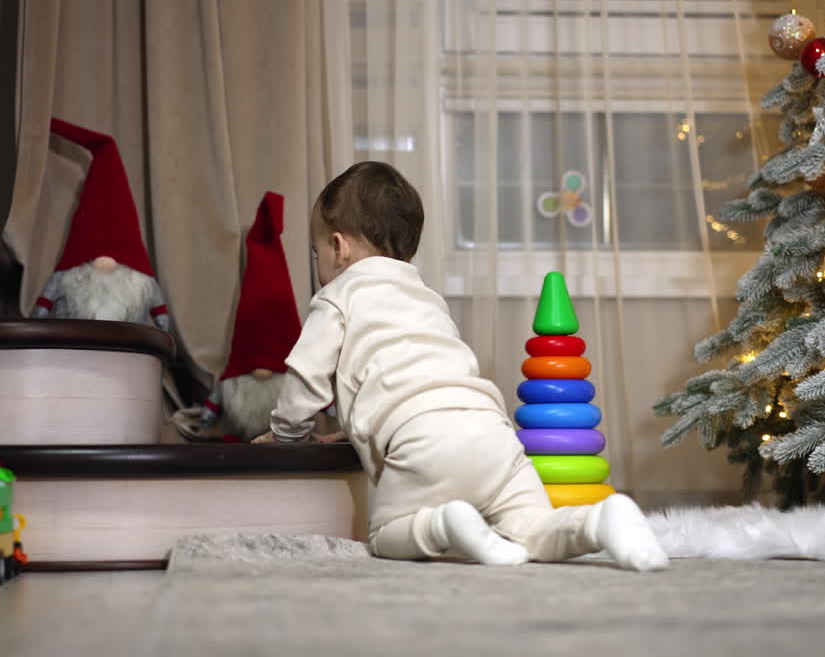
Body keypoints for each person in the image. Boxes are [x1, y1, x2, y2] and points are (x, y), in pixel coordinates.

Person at [253, 162, 668, 570]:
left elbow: (307, 379)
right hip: (493, 437)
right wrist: (350, 431)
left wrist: (287, 435)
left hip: (424, 444)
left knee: (385, 536)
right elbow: (421, 381)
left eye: (316, 250)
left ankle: (444, 524)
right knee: (536, 529)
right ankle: (600, 521)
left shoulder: (337, 296)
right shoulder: (426, 297)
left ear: (338, 247)